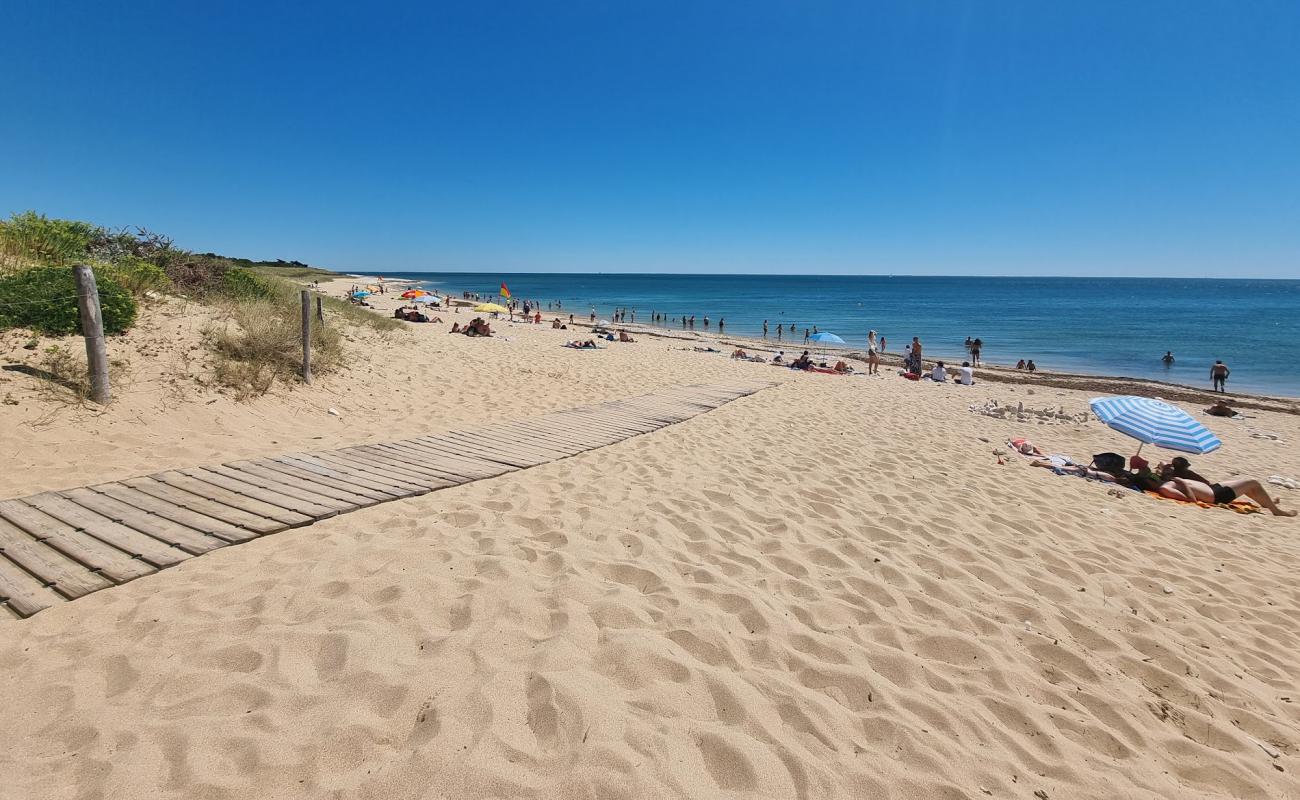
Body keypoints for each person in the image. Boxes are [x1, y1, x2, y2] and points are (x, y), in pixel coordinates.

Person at [1157, 475, 1296, 516]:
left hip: (1213, 488)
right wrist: (1182, 481)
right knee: (1252, 482)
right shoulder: (1166, 488)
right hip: (1216, 496)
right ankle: (1275, 510)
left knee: (1248, 486)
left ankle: (1268, 502)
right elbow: (1190, 499)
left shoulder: (1169, 482)